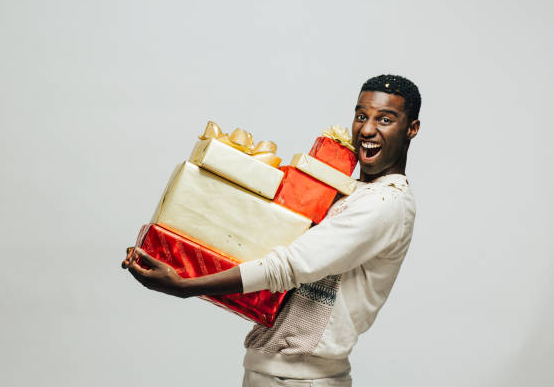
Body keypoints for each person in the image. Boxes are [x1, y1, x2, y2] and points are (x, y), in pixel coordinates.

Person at [122, 74, 421, 386]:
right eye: (362, 116)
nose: (367, 129)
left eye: (385, 119)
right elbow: (265, 239)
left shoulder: (386, 203)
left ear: (411, 128)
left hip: (301, 379)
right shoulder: (351, 192)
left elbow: (288, 266)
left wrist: (187, 285)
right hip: (272, 372)